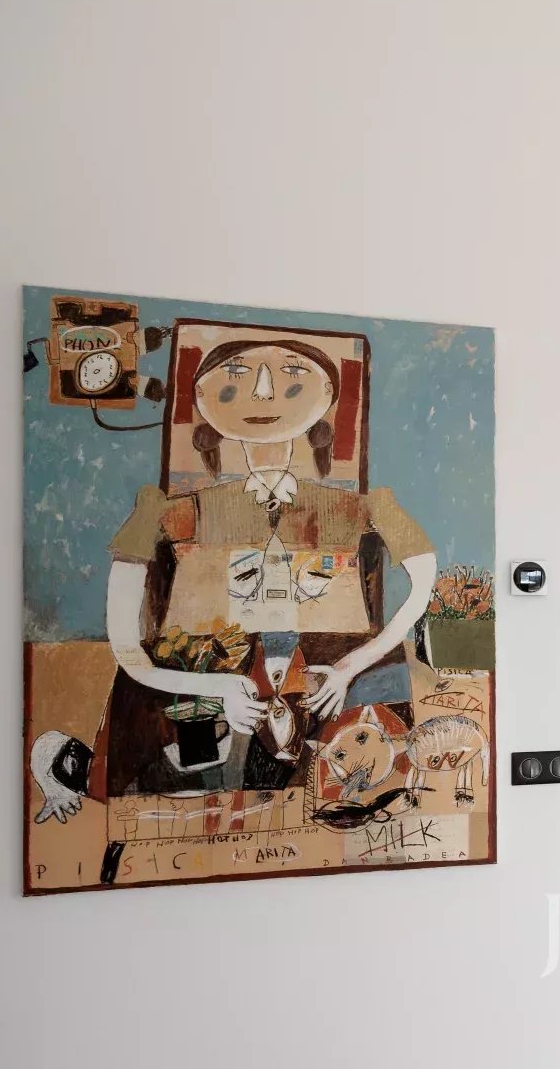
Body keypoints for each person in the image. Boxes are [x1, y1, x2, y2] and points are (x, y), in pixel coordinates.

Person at [95, 333, 436, 799]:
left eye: (291, 374)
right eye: (235, 375)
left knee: (359, 786)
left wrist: (349, 666)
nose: (262, 392)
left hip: (330, 680)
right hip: (209, 682)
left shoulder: (361, 508)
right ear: (202, 397)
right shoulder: (170, 513)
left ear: (328, 395)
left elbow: (424, 579)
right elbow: (125, 648)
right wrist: (210, 688)